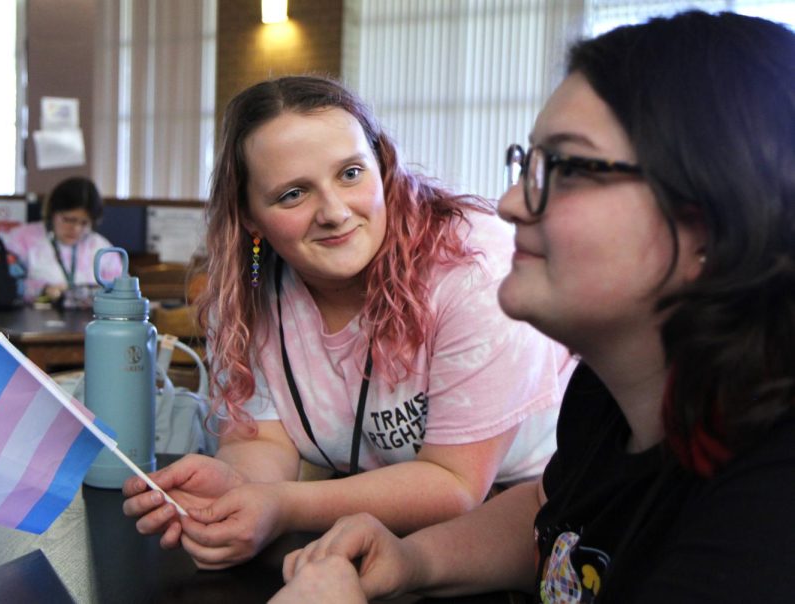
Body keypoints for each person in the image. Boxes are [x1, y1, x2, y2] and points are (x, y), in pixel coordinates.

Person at [272, 10, 795, 603]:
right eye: (529, 164)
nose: (512, 202)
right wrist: (413, 558)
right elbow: (556, 514)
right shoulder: (607, 397)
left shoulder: (771, 506)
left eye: (567, 168)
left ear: (716, 219)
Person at [121, 75, 575, 569]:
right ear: (250, 217)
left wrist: (281, 504)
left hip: (530, 523)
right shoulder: (250, 290)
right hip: (363, 523)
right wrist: (239, 489)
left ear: (382, 166)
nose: (335, 213)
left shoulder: (473, 269)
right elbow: (264, 438)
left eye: (351, 173)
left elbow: (455, 483)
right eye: (293, 194)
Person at [4, 176, 122, 307]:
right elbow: (7, 283)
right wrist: (43, 289)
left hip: (89, 322)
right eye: (68, 220)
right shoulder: (22, 239)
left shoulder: (101, 248)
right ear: (52, 213)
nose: (76, 229)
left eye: (84, 223)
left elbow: (120, 291)